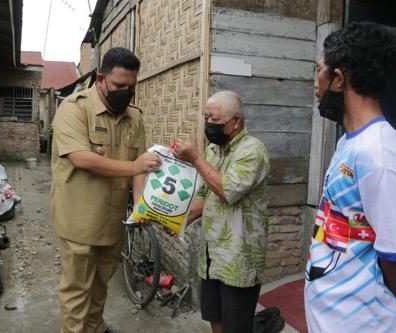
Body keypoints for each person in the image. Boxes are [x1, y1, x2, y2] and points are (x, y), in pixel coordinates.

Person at [50, 47, 161, 333]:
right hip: (79, 222)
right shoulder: (74, 108)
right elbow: (81, 158)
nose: (126, 92)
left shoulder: (133, 117)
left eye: (131, 87)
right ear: (100, 79)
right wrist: (135, 167)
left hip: (113, 222)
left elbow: (141, 169)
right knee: (77, 292)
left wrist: (140, 206)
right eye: (119, 86)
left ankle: (96, 327)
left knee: (101, 286)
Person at [305, 22, 396, 333]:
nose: (316, 82)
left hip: (362, 323)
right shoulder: (349, 141)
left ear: (338, 79)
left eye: (319, 71)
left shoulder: (379, 153)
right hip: (331, 316)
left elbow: (393, 256)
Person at [172, 91, 270, 333]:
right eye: (206, 118)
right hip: (211, 256)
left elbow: (228, 191)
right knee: (215, 317)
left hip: (239, 258)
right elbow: (205, 196)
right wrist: (178, 221)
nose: (208, 125)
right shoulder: (212, 152)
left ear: (235, 122)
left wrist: (194, 158)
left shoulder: (252, 150)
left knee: (236, 326)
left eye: (214, 120)